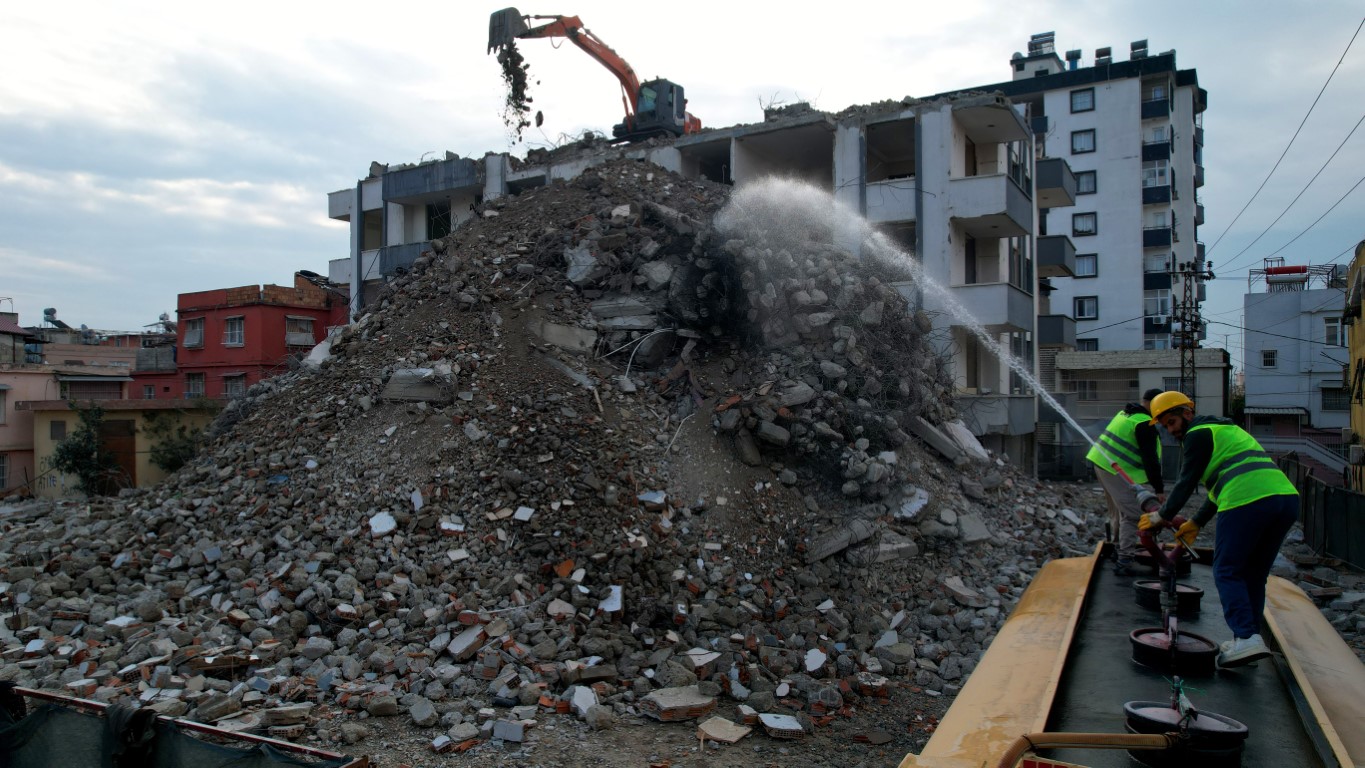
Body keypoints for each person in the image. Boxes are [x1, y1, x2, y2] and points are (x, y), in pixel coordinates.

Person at [1139, 391, 1300, 668]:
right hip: (1285, 499)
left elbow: (1186, 482)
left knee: (1227, 569)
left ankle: (1246, 636)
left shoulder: (1198, 434)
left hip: (1247, 499)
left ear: (1187, 414)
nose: (1171, 430)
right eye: (1165, 426)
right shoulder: (1227, 430)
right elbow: (1220, 486)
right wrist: (1196, 523)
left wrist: (1160, 517)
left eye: (1172, 421)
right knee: (1253, 574)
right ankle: (1248, 643)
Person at [1086, 388, 1165, 576]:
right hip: (1114, 469)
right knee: (1133, 514)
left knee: (1122, 511)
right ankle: (1124, 560)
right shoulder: (1143, 423)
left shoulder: (1127, 414)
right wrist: (1159, 489)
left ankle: (1118, 549)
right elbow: (1150, 459)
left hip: (1103, 465)